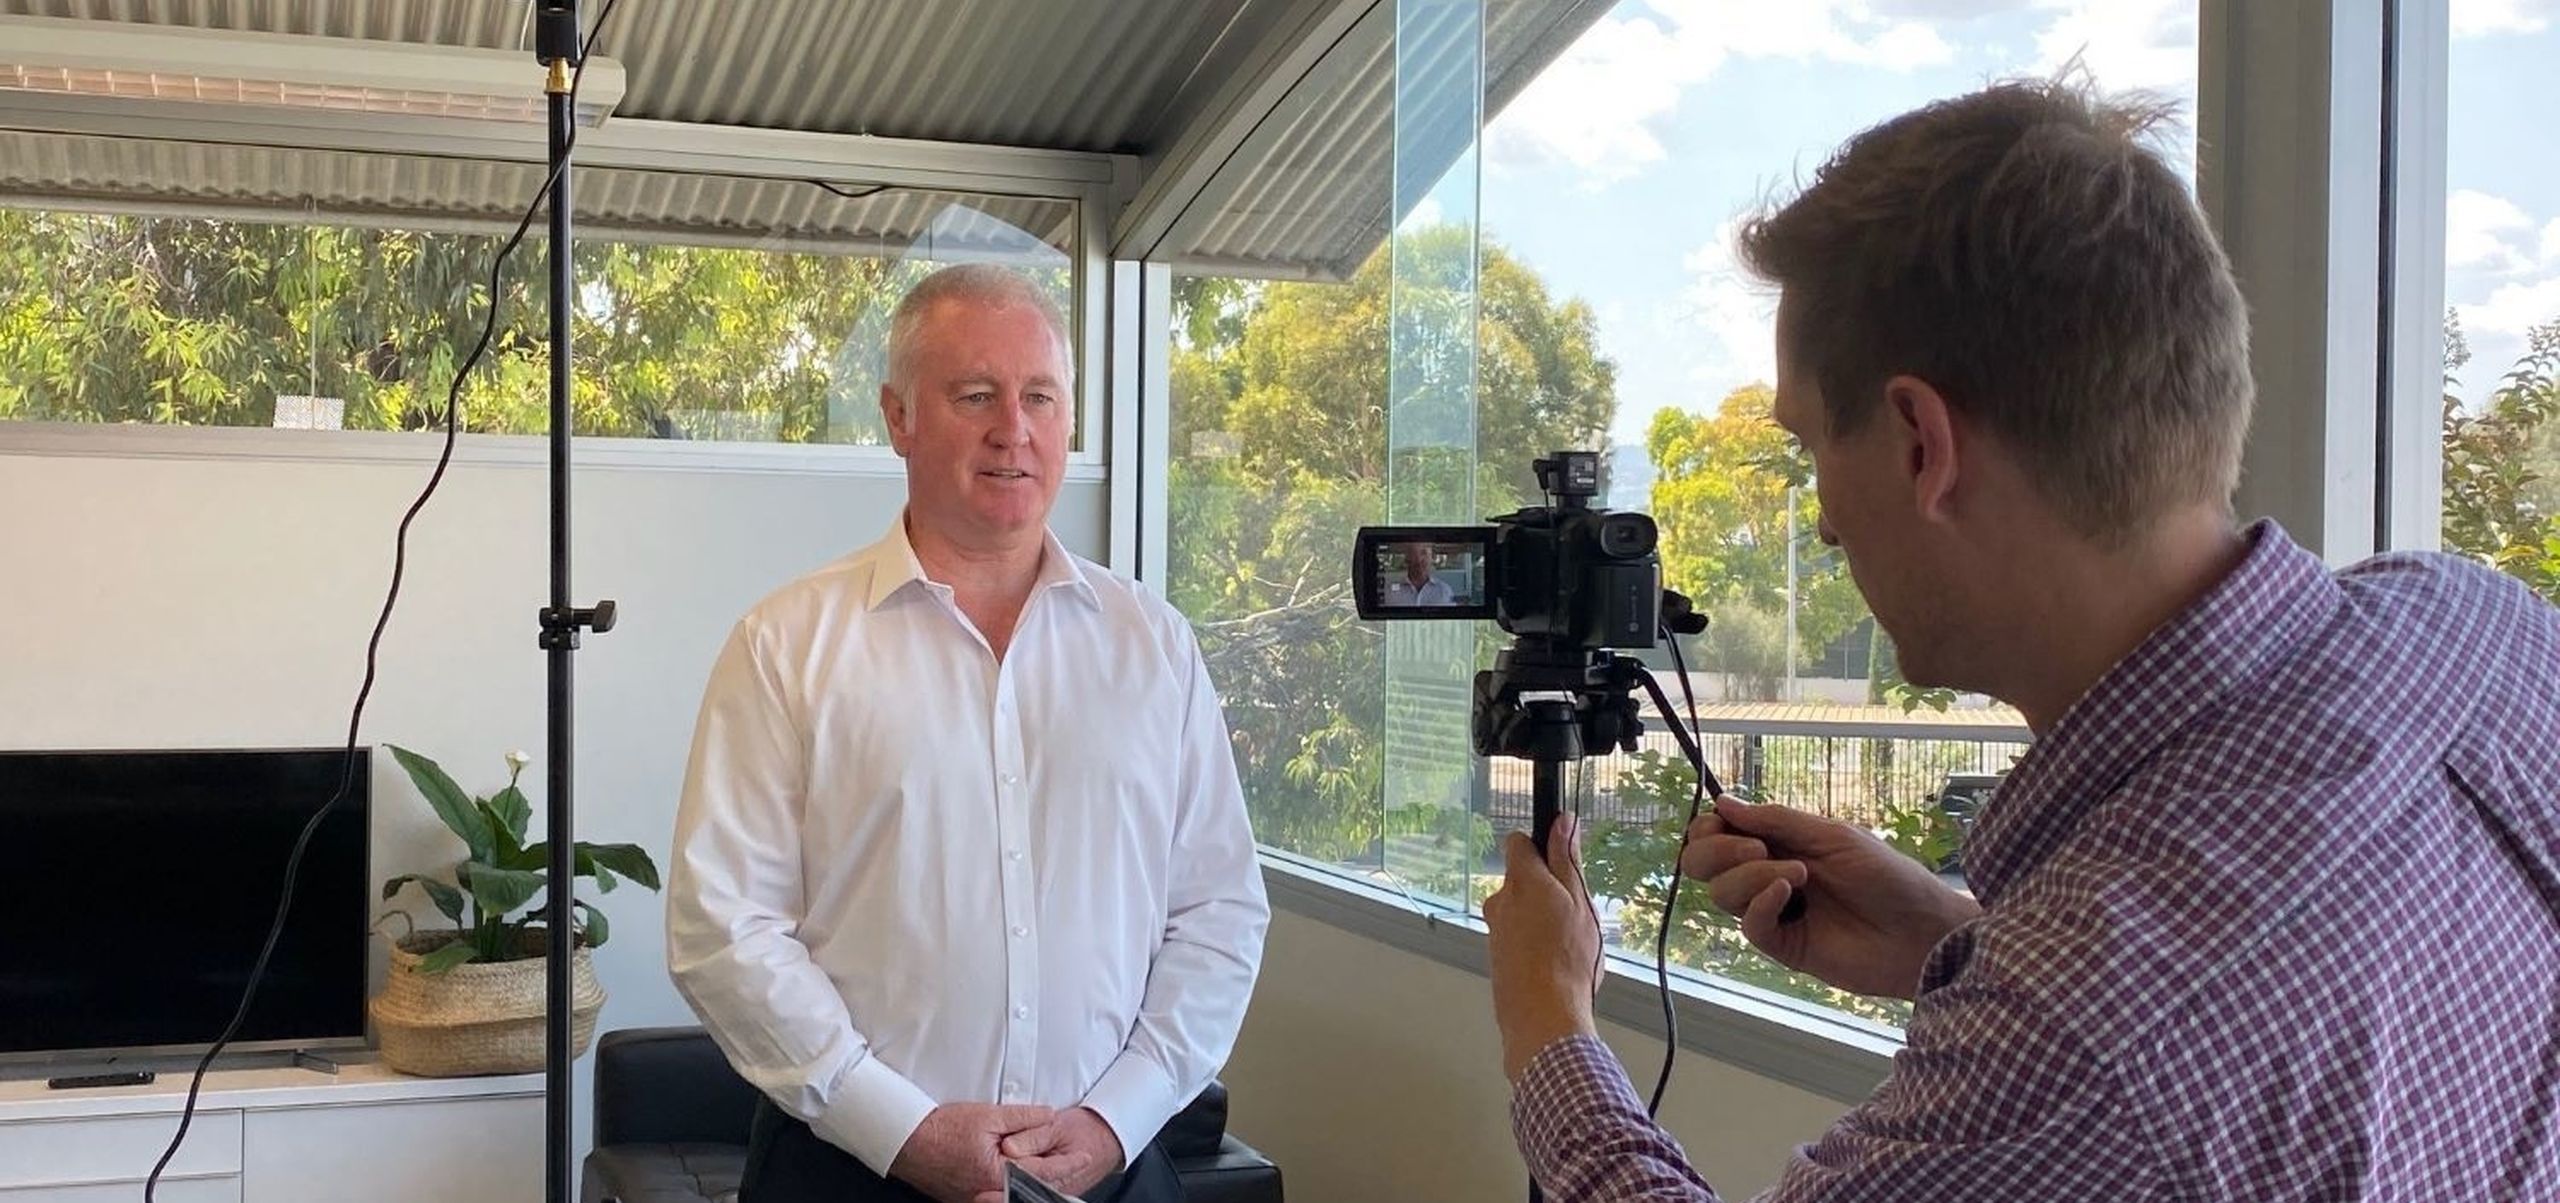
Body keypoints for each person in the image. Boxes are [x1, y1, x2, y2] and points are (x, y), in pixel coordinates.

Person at [1483, 76, 2560, 1201]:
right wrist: (1955, 939)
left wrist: (1547, 1021)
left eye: (1812, 449)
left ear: (1921, 444)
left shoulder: (2080, 1024)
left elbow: (2130, 1031)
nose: (1826, 521)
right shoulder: (2480, 629)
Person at [667, 264, 1270, 1203]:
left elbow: (1219, 910)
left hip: (1107, 1169)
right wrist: (900, 1128)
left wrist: (1114, 1119)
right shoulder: (787, 645)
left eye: (1041, 397)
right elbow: (724, 927)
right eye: (977, 394)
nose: (1013, 429)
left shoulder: (1155, 646)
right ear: (898, 416)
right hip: (849, 1170)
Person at [1385, 540, 1457, 606]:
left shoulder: (1444, 591)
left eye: (1424, 553)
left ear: (1432, 558)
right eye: (1414, 553)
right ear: (1407, 559)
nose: (1419, 559)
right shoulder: (1390, 592)